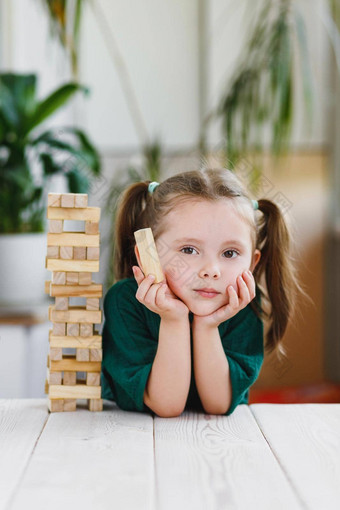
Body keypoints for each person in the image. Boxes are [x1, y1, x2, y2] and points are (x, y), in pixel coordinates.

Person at [101, 167, 303, 417]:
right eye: (188, 250)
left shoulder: (241, 304)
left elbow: (217, 405)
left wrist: (207, 325)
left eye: (229, 253)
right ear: (148, 253)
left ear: (252, 263)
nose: (211, 271)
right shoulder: (125, 302)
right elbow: (166, 405)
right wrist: (173, 319)